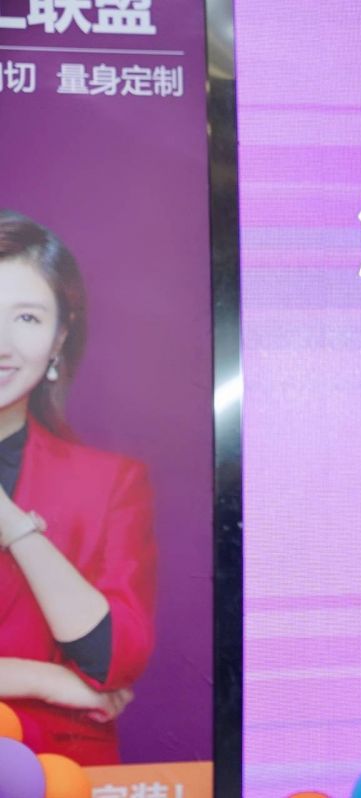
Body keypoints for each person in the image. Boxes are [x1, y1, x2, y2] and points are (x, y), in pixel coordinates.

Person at [0, 211, 156, 765]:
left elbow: (113, 661)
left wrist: (14, 525)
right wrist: (42, 679)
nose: (2, 343)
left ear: (59, 337)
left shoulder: (110, 482)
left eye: (26, 317)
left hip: (59, 772)